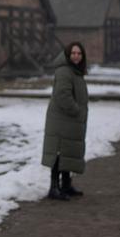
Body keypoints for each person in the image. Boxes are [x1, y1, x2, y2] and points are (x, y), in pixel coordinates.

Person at [42, 42, 88, 200]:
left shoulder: (74, 71)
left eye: (79, 53)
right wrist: (76, 110)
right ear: (68, 55)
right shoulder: (64, 71)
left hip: (69, 120)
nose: (76, 56)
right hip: (62, 120)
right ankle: (54, 188)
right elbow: (63, 96)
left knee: (66, 151)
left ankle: (66, 185)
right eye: (73, 53)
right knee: (58, 152)